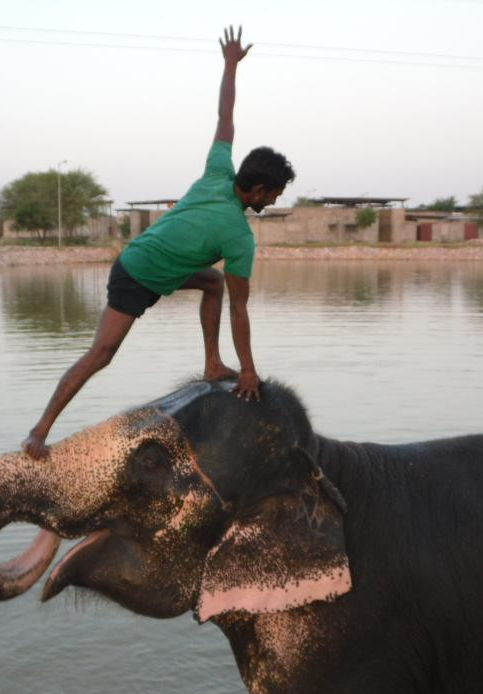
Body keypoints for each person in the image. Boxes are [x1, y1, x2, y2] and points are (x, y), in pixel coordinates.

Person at [22, 25, 295, 459]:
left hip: (160, 263)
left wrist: (229, 65)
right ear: (260, 190)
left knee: (212, 283)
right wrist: (248, 371)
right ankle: (39, 431)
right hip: (137, 271)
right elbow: (241, 310)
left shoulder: (218, 170)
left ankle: (211, 362)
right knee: (102, 354)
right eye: (276, 193)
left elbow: (225, 117)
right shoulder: (239, 237)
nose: (277, 200)